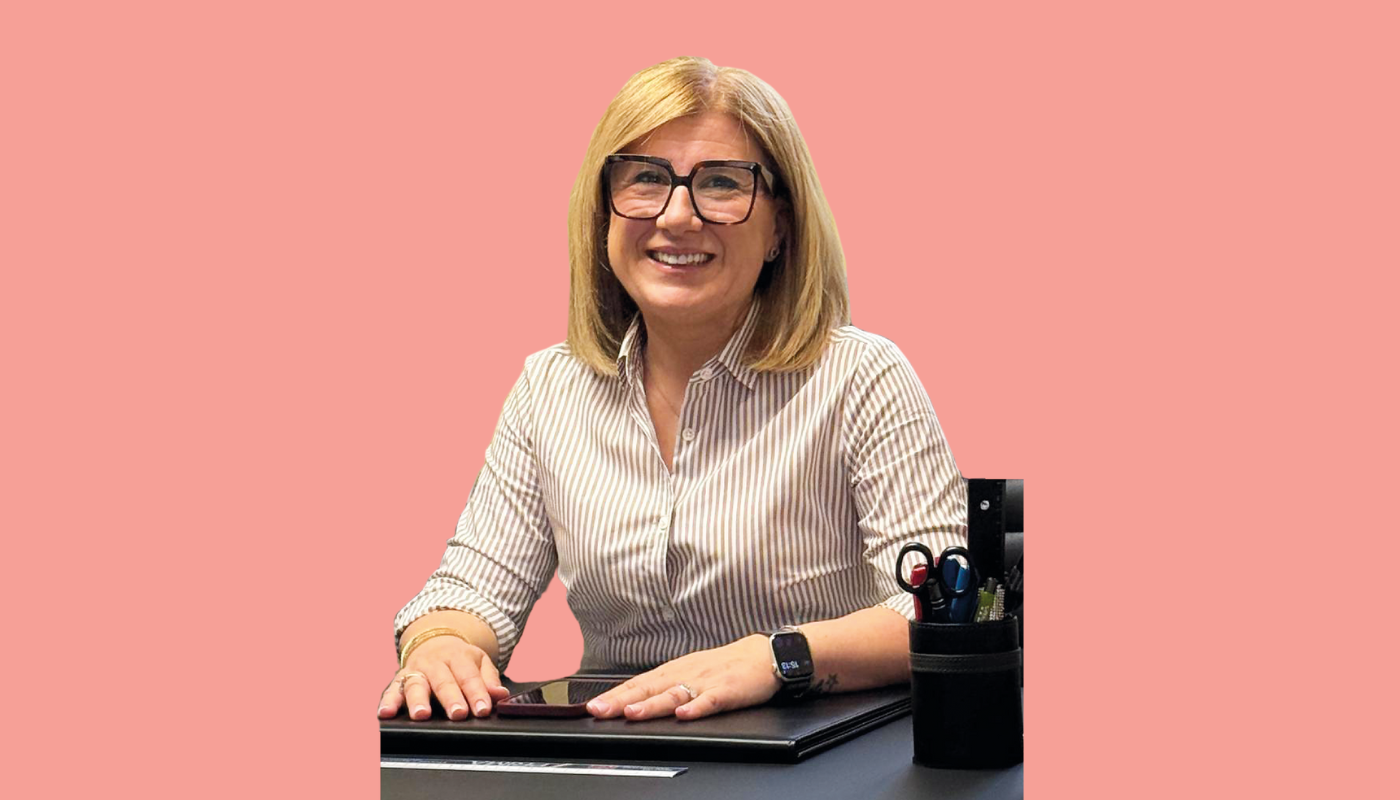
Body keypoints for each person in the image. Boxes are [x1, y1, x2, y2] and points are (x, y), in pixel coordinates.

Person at [377, 56, 965, 724]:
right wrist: (438, 644)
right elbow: (471, 591)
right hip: (620, 747)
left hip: (813, 742)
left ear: (780, 228)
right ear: (604, 214)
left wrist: (774, 658)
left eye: (721, 183)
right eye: (646, 179)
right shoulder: (548, 389)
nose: (677, 215)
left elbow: (943, 607)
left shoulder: (861, 376)